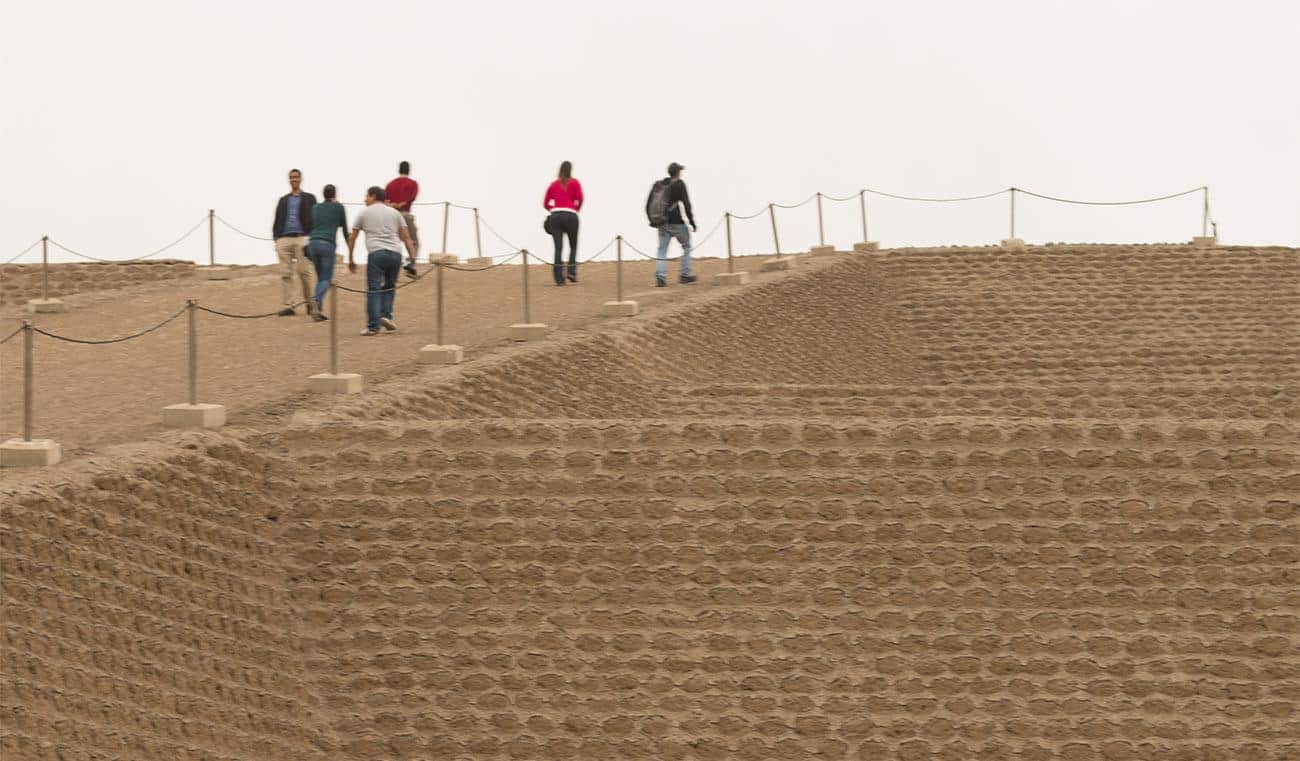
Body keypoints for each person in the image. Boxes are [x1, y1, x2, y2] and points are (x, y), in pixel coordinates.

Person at [347, 186, 418, 336]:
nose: (365, 199)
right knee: (389, 286)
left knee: (373, 289)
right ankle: (386, 316)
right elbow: (406, 237)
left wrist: (351, 258)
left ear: (373, 196)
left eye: (366, 196)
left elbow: (352, 237)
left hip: (377, 253)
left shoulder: (364, 213)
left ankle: (373, 327)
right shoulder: (395, 213)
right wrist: (412, 259)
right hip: (395, 254)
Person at [272, 168, 318, 315]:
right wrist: (276, 238)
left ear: (301, 179)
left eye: (296, 177)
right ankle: (288, 306)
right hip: (284, 238)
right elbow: (277, 218)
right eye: (291, 177)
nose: (294, 179)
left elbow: (315, 217)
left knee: (304, 272)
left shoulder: (310, 198)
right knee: (285, 273)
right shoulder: (283, 200)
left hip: (302, 237)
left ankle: (310, 304)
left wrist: (312, 237)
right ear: (289, 179)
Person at [645, 162, 697, 287]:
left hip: (662, 223)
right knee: (686, 246)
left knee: (662, 250)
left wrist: (653, 221)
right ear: (678, 172)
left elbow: (647, 205)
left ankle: (661, 278)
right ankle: (685, 275)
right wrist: (692, 222)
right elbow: (686, 205)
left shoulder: (659, 185)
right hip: (678, 223)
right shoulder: (680, 184)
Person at [305, 184, 348, 322]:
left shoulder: (315, 207)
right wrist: (350, 249)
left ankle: (318, 310)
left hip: (313, 244)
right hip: (327, 244)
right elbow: (345, 230)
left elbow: (311, 225)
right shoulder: (339, 207)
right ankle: (316, 301)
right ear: (334, 194)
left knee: (320, 278)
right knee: (326, 279)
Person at [543, 160, 584, 285]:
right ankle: (571, 272)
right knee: (573, 245)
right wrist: (575, 210)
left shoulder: (554, 184)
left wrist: (553, 210)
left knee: (558, 248)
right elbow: (580, 198)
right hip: (571, 215)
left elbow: (545, 202)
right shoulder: (575, 182)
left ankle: (559, 279)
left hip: (555, 216)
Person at [385, 161, 420, 278]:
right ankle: (410, 266)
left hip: (391, 215)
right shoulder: (413, 183)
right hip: (405, 214)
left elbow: (385, 201)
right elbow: (411, 198)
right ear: (409, 170)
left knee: (392, 242)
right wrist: (401, 204)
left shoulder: (390, 184)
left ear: (399, 170)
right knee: (413, 241)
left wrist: (393, 205)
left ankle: (388, 269)